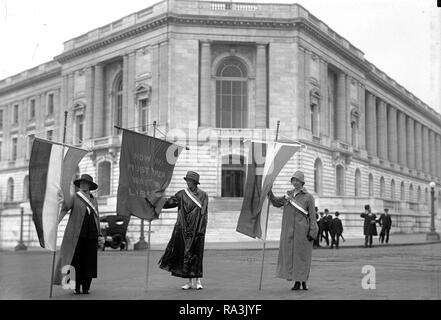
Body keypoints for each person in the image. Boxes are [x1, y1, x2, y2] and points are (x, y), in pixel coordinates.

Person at [53, 174, 104, 294]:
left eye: (85, 183)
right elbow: (65, 209)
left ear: (90, 186)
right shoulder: (74, 197)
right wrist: (56, 224)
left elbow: (97, 217)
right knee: (76, 261)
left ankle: (86, 287)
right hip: (77, 236)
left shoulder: (94, 200)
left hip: (91, 235)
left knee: (89, 262)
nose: (83, 184)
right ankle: (75, 287)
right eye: (81, 182)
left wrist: (99, 233)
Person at [268, 170, 318, 291]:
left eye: (297, 180)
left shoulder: (309, 197)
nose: (295, 182)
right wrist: (268, 191)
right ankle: (296, 281)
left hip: (303, 232)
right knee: (292, 256)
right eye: (293, 180)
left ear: (302, 182)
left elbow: (312, 216)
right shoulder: (288, 196)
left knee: (302, 257)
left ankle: (303, 281)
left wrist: (313, 232)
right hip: (289, 231)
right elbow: (275, 202)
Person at [158, 171, 208, 290]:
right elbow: (169, 203)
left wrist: (201, 230)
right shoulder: (181, 194)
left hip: (197, 230)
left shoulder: (203, 195)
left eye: (190, 181)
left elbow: (204, 213)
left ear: (196, 183)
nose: (188, 183)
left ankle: (198, 280)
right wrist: (156, 199)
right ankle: (189, 282)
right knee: (186, 255)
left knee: (197, 255)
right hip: (183, 230)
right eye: (187, 181)